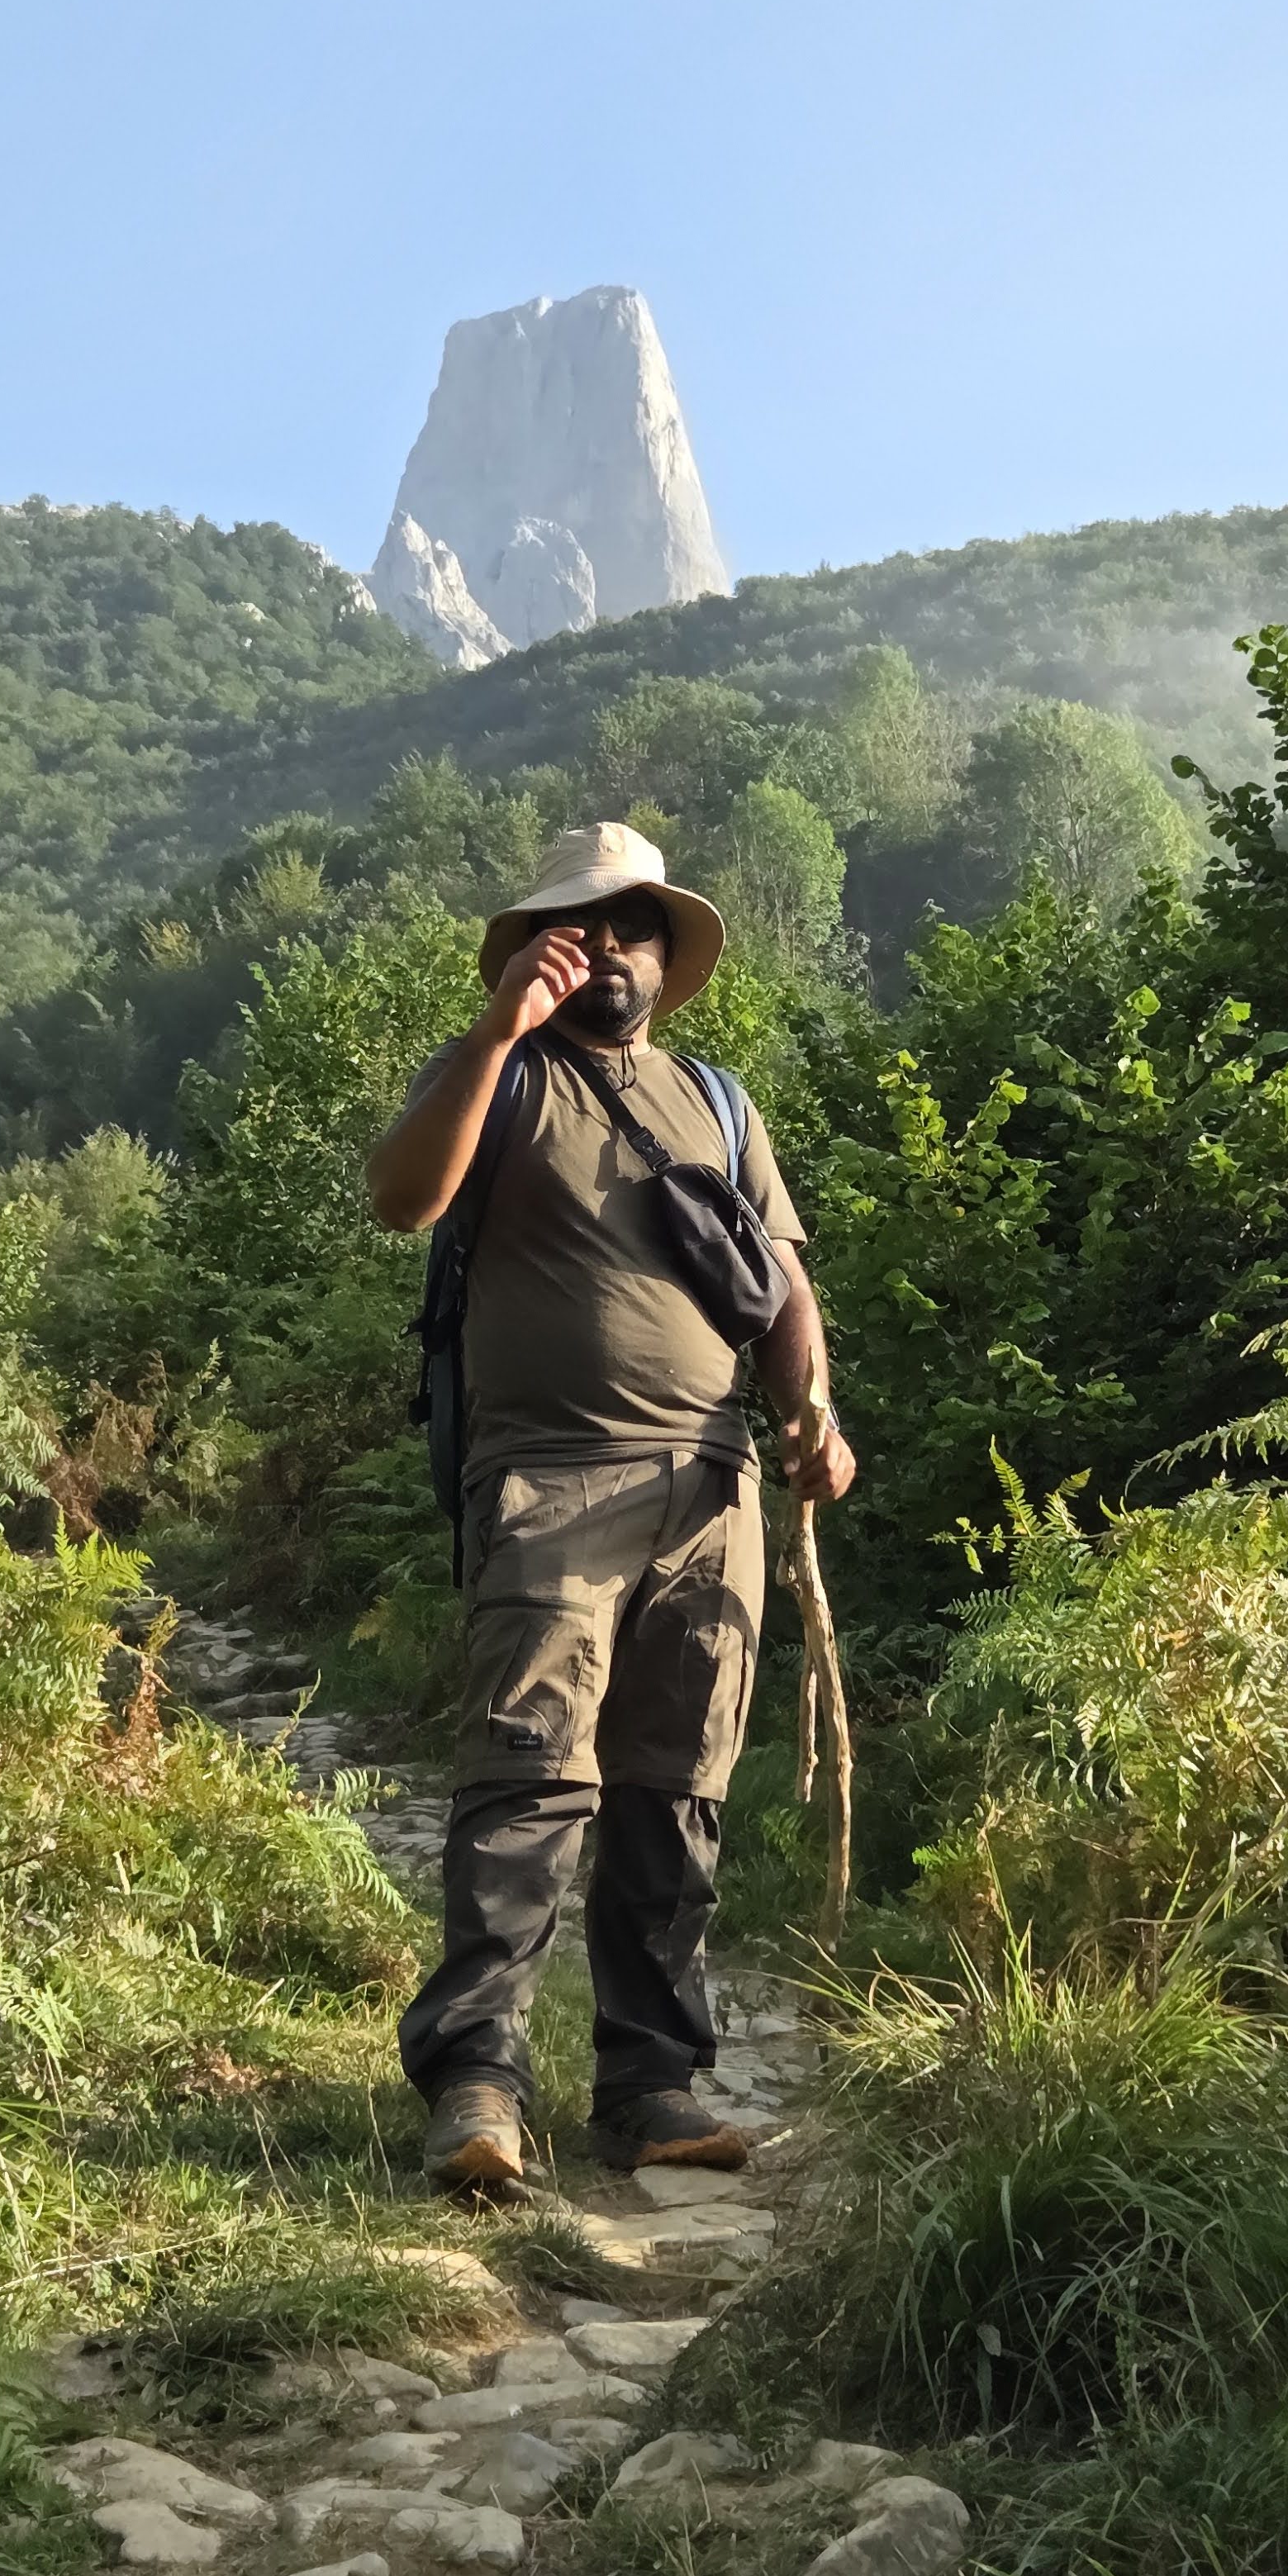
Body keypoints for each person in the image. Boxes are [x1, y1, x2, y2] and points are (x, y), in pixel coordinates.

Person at [365, 821, 854, 2193]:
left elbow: (785, 1285)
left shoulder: (719, 1101)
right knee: (528, 1781)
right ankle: (475, 2087)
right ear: (533, 946)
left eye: (635, 930)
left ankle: (650, 2085)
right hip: (547, 1480)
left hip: (714, 1489)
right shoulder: (501, 1077)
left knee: (676, 1792)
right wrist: (495, 1028)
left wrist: (815, 1414)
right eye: (579, 930)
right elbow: (405, 1201)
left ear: (666, 957)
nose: (610, 953)